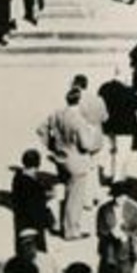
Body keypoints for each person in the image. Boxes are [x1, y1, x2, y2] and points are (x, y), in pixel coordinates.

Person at [40, 86, 102, 240]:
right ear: (79, 101)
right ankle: (71, 230)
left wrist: (52, 146)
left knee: (66, 193)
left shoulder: (57, 114)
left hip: (61, 158)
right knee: (75, 197)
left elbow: (41, 129)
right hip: (77, 160)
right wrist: (96, 143)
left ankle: (63, 224)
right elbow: (86, 144)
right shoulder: (79, 121)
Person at [95, 182, 137, 273]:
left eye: (122, 196)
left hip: (127, 253)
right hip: (109, 253)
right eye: (117, 196)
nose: (119, 199)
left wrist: (127, 234)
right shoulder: (104, 209)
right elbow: (99, 231)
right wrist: (110, 233)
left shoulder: (133, 209)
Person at [10, 148, 53, 250]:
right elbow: (36, 206)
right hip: (33, 223)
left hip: (20, 221)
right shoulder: (33, 184)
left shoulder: (18, 178)